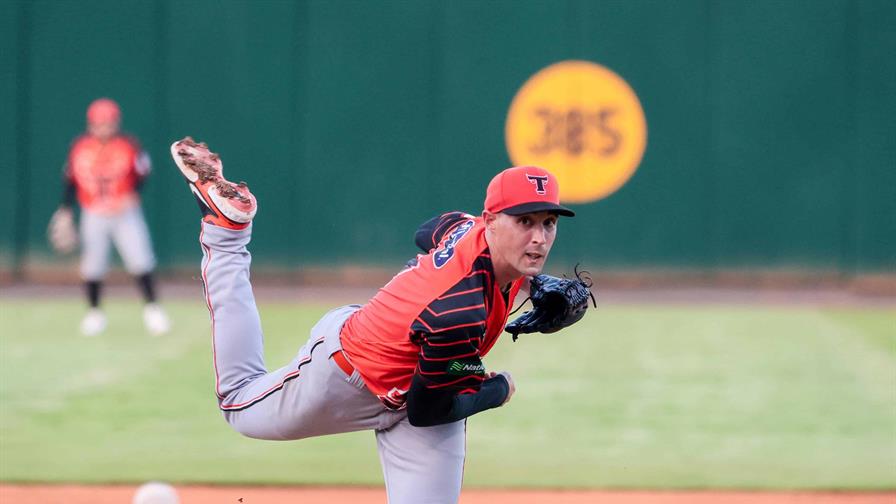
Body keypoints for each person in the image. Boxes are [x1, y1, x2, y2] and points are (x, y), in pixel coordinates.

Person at [170, 136, 576, 503]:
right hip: (347, 376)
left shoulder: (467, 228)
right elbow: (427, 410)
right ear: (490, 222)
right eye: (524, 222)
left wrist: (530, 285)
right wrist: (498, 388)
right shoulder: (457, 311)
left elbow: (428, 231)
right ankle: (228, 234)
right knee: (239, 404)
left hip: (424, 381)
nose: (539, 238)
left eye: (548, 223)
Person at [53, 98, 170, 336]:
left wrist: (133, 195)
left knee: (140, 259)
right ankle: (94, 313)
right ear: (91, 124)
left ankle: (153, 310)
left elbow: (143, 171)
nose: (103, 128)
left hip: (123, 211)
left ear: (116, 123)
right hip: (93, 211)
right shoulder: (81, 146)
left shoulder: (128, 145)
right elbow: (70, 178)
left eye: (107, 123)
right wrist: (65, 208)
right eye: (99, 124)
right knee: (92, 265)